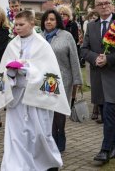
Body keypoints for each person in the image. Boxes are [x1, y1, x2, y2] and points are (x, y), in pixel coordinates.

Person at [0, 10, 70, 171]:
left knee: (39, 133)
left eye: (21, 25)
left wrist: (27, 69)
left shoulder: (42, 45)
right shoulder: (12, 44)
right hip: (17, 98)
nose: (17, 28)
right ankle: (15, 165)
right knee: (16, 134)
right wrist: (11, 74)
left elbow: (48, 72)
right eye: (16, 25)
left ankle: (48, 162)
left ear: (32, 24)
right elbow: (3, 72)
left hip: (37, 98)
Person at [81, 0, 115, 164]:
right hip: (98, 75)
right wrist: (95, 58)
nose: (104, 6)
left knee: (108, 111)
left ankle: (105, 150)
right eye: (99, 4)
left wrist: (109, 59)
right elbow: (84, 49)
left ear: (112, 5)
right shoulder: (91, 27)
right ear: (95, 7)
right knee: (104, 111)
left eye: (107, 2)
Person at [41, 9, 83, 152]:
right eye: (46, 19)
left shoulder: (66, 36)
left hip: (63, 78)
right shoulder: (40, 37)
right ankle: (52, 136)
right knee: (49, 109)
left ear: (57, 21)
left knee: (60, 109)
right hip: (46, 80)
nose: (48, 22)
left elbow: (74, 59)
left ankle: (61, 134)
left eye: (52, 19)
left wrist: (78, 80)